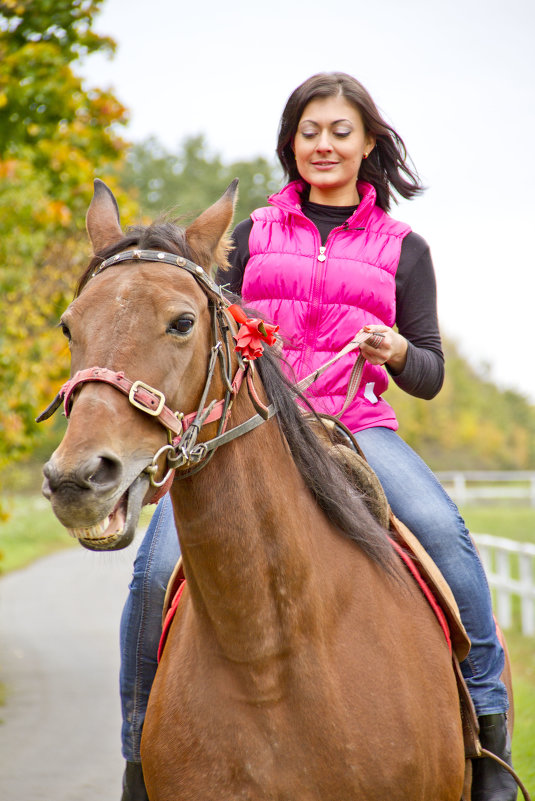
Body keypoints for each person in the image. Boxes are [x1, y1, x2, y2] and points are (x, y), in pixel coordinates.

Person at [119, 73, 516, 801]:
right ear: (290, 144)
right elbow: (208, 344)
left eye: (340, 130)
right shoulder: (247, 237)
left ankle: (489, 744)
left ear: (368, 143)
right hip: (250, 431)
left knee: (448, 538)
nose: (324, 144)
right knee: (150, 576)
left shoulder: (404, 248)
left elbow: (427, 372)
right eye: (310, 131)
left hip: (358, 427)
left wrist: (395, 352)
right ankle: (139, 758)